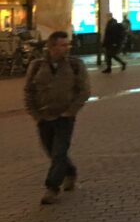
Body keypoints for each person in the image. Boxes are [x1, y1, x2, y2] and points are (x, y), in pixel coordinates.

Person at [23, 31, 91, 205]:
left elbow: (84, 90)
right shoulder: (37, 65)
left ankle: (52, 187)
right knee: (51, 152)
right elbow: (28, 91)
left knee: (59, 151)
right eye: (62, 45)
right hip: (44, 117)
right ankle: (70, 172)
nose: (67, 48)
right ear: (51, 46)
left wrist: (71, 111)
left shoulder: (75, 65)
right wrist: (35, 114)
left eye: (67, 44)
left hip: (64, 117)